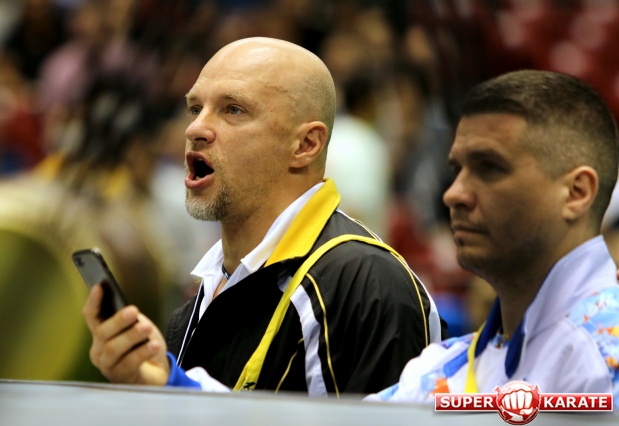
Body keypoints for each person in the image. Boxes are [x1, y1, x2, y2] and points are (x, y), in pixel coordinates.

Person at [83, 37, 445, 396]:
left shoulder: (367, 285)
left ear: (306, 145)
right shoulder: (195, 307)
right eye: (195, 109)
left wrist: (177, 388)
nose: (194, 129)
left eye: (233, 110)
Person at [369, 70, 619, 404]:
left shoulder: (605, 355)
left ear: (576, 192)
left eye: (489, 167)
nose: (453, 194)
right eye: (457, 170)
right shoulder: (437, 369)